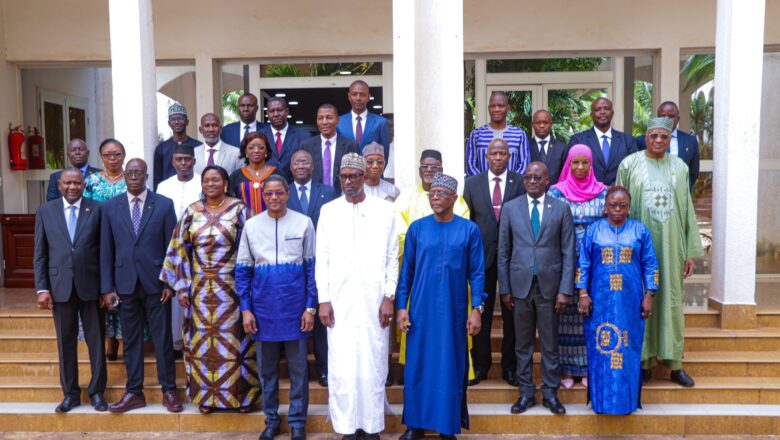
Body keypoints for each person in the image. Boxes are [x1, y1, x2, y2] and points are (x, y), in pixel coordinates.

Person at [160, 165, 261, 413]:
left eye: (216, 179)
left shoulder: (240, 210)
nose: (210, 184)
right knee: (201, 346)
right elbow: (179, 249)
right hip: (200, 292)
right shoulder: (191, 212)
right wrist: (182, 287)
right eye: (206, 180)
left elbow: (252, 247)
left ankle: (242, 398)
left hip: (233, 289)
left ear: (225, 183)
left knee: (237, 345)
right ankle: (206, 398)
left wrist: (250, 285)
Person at [316, 153, 399, 439]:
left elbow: (392, 258)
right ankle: (347, 426)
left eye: (353, 176)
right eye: (343, 176)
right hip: (338, 301)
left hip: (374, 300)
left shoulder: (385, 211)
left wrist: (389, 296)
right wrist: (323, 299)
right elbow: (321, 259)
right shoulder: (328, 211)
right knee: (342, 365)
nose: (348, 181)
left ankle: (372, 425)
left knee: (373, 363)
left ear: (365, 177)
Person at [396, 174, 486, 440]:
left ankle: (447, 426)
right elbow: (407, 273)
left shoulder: (469, 230)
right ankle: (415, 426)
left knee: (450, 366)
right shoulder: (417, 229)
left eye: (440, 193)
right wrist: (402, 307)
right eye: (431, 193)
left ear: (454, 198)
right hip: (420, 312)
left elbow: (477, 273)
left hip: (453, 312)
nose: (434, 197)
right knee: (417, 366)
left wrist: (477, 309)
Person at [616, 116, 704, 388]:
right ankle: (642, 363)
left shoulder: (679, 166)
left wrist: (689, 251)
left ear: (669, 138)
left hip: (671, 247)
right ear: (646, 137)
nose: (658, 141)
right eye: (653, 136)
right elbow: (617, 206)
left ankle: (675, 363)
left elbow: (687, 209)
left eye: (663, 137)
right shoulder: (630, 164)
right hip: (637, 249)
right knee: (639, 301)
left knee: (671, 302)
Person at [236, 175, 317, 440]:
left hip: (295, 309)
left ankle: (297, 423)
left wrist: (310, 307)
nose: (274, 198)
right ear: (263, 196)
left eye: (279, 193)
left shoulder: (304, 223)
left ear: (287, 194)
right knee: (267, 370)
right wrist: (246, 309)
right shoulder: (251, 226)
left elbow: (312, 268)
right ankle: (271, 420)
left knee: (298, 370)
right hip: (262, 310)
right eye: (269, 193)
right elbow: (242, 271)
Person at [99, 158, 181, 414]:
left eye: (139, 173)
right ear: (125, 176)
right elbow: (105, 250)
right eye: (130, 173)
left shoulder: (164, 205)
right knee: (131, 341)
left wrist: (171, 282)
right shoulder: (110, 208)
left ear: (147, 177)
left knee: (163, 340)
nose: (134, 177)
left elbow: (173, 248)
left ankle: (169, 390)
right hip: (124, 285)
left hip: (157, 284)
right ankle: (134, 392)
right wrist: (107, 288)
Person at [498, 162, 575, 415]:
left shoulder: (561, 209)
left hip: (550, 288)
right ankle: (526, 393)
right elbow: (504, 252)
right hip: (519, 287)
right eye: (528, 177)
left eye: (537, 177)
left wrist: (565, 290)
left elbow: (568, 252)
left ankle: (551, 393)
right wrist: (505, 289)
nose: (532, 181)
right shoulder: (510, 208)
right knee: (523, 345)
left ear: (547, 180)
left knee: (550, 344)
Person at [577, 186, 659, 415]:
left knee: (627, 350)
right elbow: (583, 264)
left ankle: (626, 403)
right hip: (599, 304)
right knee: (600, 351)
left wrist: (649, 295)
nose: (617, 209)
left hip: (630, 303)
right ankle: (601, 402)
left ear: (629, 208)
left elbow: (651, 265)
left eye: (622, 206)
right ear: (605, 207)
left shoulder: (639, 231)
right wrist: (583, 294)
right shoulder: (594, 230)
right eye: (613, 205)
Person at [394, 149, 471, 385]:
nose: (429, 171)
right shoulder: (406, 198)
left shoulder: (458, 201)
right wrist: (426, 244)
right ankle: (420, 374)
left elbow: (463, 230)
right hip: (419, 275)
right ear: (419, 170)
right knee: (419, 329)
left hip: (451, 278)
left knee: (450, 329)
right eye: (425, 167)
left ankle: (456, 373)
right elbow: (398, 231)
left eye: (434, 167)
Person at [34, 168, 107, 413]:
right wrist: (42, 288)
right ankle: (70, 394)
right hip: (59, 287)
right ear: (60, 184)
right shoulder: (45, 211)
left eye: (77, 182)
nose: (73, 187)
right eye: (68, 183)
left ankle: (97, 392)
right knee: (65, 343)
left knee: (96, 342)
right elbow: (40, 254)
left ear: (83, 184)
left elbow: (105, 252)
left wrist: (106, 288)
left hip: (92, 287)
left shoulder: (97, 209)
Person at [463, 139, 525, 388]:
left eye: (502, 153)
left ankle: (510, 368)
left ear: (509, 156)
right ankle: (480, 365)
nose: (498, 157)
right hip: (482, 258)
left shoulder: (520, 182)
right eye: (493, 153)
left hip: (512, 258)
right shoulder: (472, 183)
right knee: (482, 311)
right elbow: (468, 221)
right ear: (486, 156)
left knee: (511, 315)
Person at [547, 144, 608, 389]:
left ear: (591, 164)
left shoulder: (603, 192)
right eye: (575, 163)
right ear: (568, 164)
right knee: (565, 314)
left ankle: (587, 367)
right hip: (564, 258)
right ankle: (567, 369)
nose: (580, 168)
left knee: (590, 311)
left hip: (595, 261)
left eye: (585, 163)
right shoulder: (555, 192)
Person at [286, 148, 337, 387]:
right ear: (291, 166)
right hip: (292, 265)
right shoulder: (282, 193)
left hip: (322, 262)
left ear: (313, 166)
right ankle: (298, 372)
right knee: (296, 315)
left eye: (305, 162)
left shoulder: (327, 192)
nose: (301, 166)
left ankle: (324, 368)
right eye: (296, 162)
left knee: (319, 319)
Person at [83, 138, 128, 360]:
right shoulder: (91, 181)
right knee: (102, 288)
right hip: (97, 242)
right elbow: (86, 212)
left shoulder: (132, 179)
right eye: (108, 154)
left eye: (117, 154)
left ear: (124, 156)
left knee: (123, 288)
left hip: (124, 243)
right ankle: (107, 342)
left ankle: (122, 340)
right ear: (101, 157)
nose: (113, 158)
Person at [155, 143, 201, 355]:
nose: (183, 163)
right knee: (174, 295)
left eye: (187, 160)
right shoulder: (164, 186)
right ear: (173, 162)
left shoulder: (203, 182)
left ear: (193, 161)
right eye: (179, 160)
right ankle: (175, 343)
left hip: (199, 249)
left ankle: (196, 340)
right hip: (170, 247)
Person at [569, 97, 638, 185]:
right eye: (598, 109)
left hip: (619, 193)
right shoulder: (578, 140)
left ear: (612, 113)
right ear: (591, 114)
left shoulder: (627, 139)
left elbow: (635, 168)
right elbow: (572, 170)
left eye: (607, 109)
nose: (602, 112)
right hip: (588, 193)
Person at [635, 101, 700, 191]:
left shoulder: (690, 141)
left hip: (680, 194)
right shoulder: (642, 140)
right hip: (650, 193)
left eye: (671, 116)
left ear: (678, 118)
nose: (666, 119)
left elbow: (693, 172)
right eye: (662, 116)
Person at [298, 104, 360, 196]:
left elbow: (356, 174)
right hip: (314, 197)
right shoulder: (306, 146)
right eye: (320, 118)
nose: (324, 122)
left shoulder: (350, 146)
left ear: (337, 120)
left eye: (329, 117)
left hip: (342, 197)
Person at [465, 91, 530, 177]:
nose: (497, 109)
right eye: (493, 106)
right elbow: (470, 165)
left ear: (508, 108)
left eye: (501, 106)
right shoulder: (477, 135)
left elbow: (524, 166)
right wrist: (483, 184)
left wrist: (511, 184)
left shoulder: (519, 135)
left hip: (512, 189)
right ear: (489, 109)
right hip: (482, 189)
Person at [260, 97, 311, 182]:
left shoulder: (304, 136)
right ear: (267, 114)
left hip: (294, 189)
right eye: (272, 111)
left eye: (279, 110)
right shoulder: (259, 136)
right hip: (266, 188)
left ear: (287, 111)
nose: (276, 114)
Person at [229, 131, 280, 217]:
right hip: (244, 226)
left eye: (261, 147)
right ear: (245, 151)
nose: (256, 151)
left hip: (273, 224)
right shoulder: (236, 176)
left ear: (266, 150)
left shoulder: (277, 174)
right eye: (251, 147)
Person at [152, 103, 202, 189]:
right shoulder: (161, 148)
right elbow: (157, 178)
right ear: (169, 123)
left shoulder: (198, 146)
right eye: (173, 119)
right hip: (169, 192)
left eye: (180, 119)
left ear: (187, 122)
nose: (177, 122)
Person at [336, 80, 391, 157]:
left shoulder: (381, 123)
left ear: (369, 96)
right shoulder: (338, 122)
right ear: (349, 96)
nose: (358, 98)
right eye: (354, 94)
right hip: (346, 168)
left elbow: (384, 155)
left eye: (362, 94)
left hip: (371, 168)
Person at [529, 110, 567, 185]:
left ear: (551, 124)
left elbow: (565, 174)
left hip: (555, 194)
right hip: (532, 193)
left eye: (545, 123)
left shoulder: (562, 148)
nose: (542, 125)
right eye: (538, 123)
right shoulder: (526, 146)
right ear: (532, 125)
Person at [383, 113, 395, 182]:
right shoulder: (373, 147)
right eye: (388, 126)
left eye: (392, 126)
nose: (391, 129)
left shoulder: (403, 147)